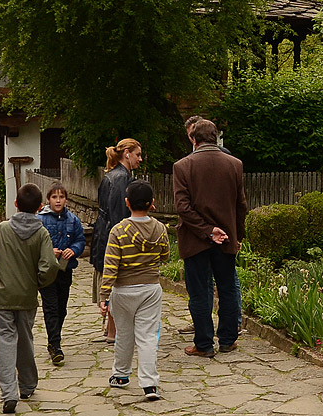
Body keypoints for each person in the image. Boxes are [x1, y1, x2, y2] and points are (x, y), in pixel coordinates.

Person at [173, 119, 247, 358]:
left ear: (194, 139)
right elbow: (241, 205)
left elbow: (183, 207)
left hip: (195, 239)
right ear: (215, 137)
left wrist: (206, 230)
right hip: (226, 238)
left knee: (199, 292)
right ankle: (227, 340)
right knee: (226, 289)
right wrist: (237, 235)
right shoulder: (235, 164)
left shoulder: (183, 166)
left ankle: (204, 344)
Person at [0, 183, 58, 414]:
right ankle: (27, 384)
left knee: (4, 342)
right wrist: (37, 282)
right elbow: (49, 266)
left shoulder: (2, 228)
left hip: (1, 294)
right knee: (25, 339)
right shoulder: (42, 233)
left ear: (16, 204)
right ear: (40, 207)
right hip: (26, 295)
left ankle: (9, 393)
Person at [99, 180, 170, 401]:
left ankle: (120, 375)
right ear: (153, 203)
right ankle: (150, 384)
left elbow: (110, 266)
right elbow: (165, 256)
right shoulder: (160, 228)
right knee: (148, 337)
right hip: (150, 288)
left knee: (124, 334)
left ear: (127, 202)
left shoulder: (118, 230)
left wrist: (104, 295)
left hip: (123, 291)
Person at [89, 138, 142, 342]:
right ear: (126, 153)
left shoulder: (117, 175)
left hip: (105, 232)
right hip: (110, 234)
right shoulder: (120, 178)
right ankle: (113, 332)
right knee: (114, 279)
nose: (140, 159)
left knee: (112, 279)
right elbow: (118, 214)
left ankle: (111, 330)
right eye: (137, 154)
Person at [37, 182, 86, 365]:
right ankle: (55, 344)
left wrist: (73, 250)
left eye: (61, 197)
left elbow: (80, 240)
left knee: (61, 308)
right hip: (47, 270)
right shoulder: (41, 220)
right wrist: (51, 251)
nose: (58, 200)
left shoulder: (73, 220)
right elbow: (37, 244)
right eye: (54, 197)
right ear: (48, 199)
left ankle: (54, 336)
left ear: (66, 199)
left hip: (65, 270)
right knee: (50, 307)